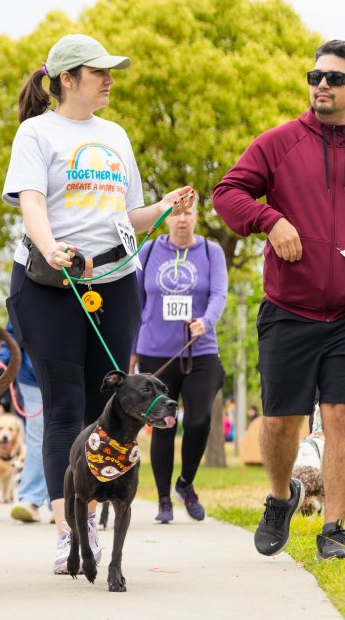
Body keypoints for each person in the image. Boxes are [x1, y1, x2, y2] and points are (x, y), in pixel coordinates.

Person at [212, 40, 345, 560]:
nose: (321, 84)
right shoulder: (279, 143)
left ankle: (334, 531)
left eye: (335, 78)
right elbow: (228, 193)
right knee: (281, 420)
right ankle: (280, 498)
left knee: (343, 415)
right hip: (288, 308)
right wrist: (270, 220)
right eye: (315, 76)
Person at [2, 34, 194, 574]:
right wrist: (52, 247)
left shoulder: (115, 135)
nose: (109, 80)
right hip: (50, 282)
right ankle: (72, 531)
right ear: (67, 79)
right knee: (65, 407)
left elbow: (126, 216)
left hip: (115, 281)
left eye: (111, 72)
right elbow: (32, 205)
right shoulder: (36, 133)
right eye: (98, 72)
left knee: (103, 404)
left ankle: (92, 519)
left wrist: (163, 205)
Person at [133, 200, 228, 523]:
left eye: (188, 213)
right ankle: (163, 500)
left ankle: (185, 483)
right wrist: (132, 349)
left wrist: (206, 321)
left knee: (199, 420)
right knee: (163, 425)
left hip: (200, 350)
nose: (182, 219)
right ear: (166, 219)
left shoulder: (211, 251)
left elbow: (219, 294)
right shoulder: (147, 251)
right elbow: (136, 302)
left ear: (197, 217)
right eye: (176, 213)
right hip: (156, 352)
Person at [0, 322, 50, 522]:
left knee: (66, 434)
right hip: (32, 374)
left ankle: (61, 501)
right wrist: (1, 359)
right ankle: (31, 499)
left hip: (70, 372)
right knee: (36, 436)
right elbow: (13, 331)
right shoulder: (26, 291)